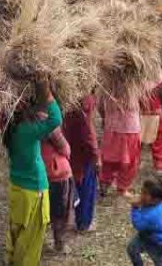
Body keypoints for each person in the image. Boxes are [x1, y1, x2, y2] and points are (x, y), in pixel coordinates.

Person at [4, 76, 63, 266]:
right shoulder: (27, 130)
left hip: (18, 188)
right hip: (33, 191)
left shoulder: (11, 127)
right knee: (32, 237)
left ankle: (12, 260)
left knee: (17, 230)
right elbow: (56, 119)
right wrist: (47, 93)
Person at [63, 95, 100, 232]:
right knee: (86, 189)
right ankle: (84, 223)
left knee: (76, 187)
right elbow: (89, 138)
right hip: (84, 158)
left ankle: (77, 219)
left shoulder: (67, 106)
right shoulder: (83, 113)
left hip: (71, 154)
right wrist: (96, 156)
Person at [40, 120, 73, 253]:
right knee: (60, 211)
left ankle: (39, 241)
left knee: (40, 210)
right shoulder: (47, 121)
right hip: (56, 173)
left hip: (38, 173)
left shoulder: (24, 120)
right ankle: (59, 244)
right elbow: (65, 148)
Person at [99, 97, 142, 198]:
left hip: (111, 128)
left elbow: (100, 105)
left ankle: (105, 183)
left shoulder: (108, 85)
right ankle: (122, 188)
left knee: (108, 159)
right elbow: (158, 80)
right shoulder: (135, 87)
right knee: (130, 162)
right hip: (130, 128)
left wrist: (104, 118)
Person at [126, 178, 162, 266]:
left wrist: (135, 208)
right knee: (131, 249)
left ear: (155, 200)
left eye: (144, 193)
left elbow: (138, 225)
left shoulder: (153, 215)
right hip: (145, 235)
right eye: (142, 191)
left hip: (156, 241)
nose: (141, 195)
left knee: (158, 260)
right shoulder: (156, 203)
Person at [141, 89, 162, 177]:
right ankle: (159, 166)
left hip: (132, 103)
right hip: (150, 104)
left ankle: (132, 163)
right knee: (161, 133)